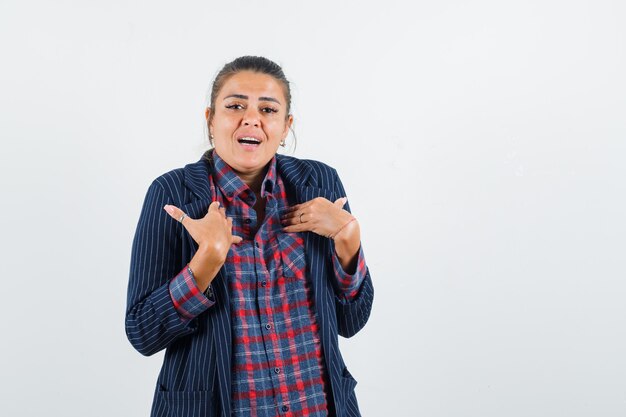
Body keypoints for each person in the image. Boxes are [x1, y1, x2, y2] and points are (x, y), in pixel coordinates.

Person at [126, 56, 374, 417]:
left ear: (286, 125)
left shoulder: (319, 184)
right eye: (235, 105)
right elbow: (142, 333)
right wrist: (205, 262)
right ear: (210, 118)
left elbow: (351, 323)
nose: (251, 118)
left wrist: (349, 241)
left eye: (268, 109)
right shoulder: (173, 194)